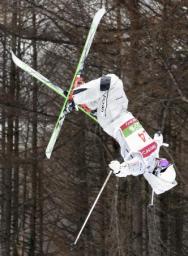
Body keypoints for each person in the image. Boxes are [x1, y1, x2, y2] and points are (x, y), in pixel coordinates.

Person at [68, 74, 177, 195]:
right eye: (166, 162)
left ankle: (75, 96)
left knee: (112, 82)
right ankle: (91, 105)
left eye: (163, 165)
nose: (163, 161)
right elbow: (155, 144)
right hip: (122, 113)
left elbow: (129, 169)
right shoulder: (154, 154)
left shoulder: (141, 165)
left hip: (112, 119)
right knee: (108, 93)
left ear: (156, 173)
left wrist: (119, 169)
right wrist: (158, 139)